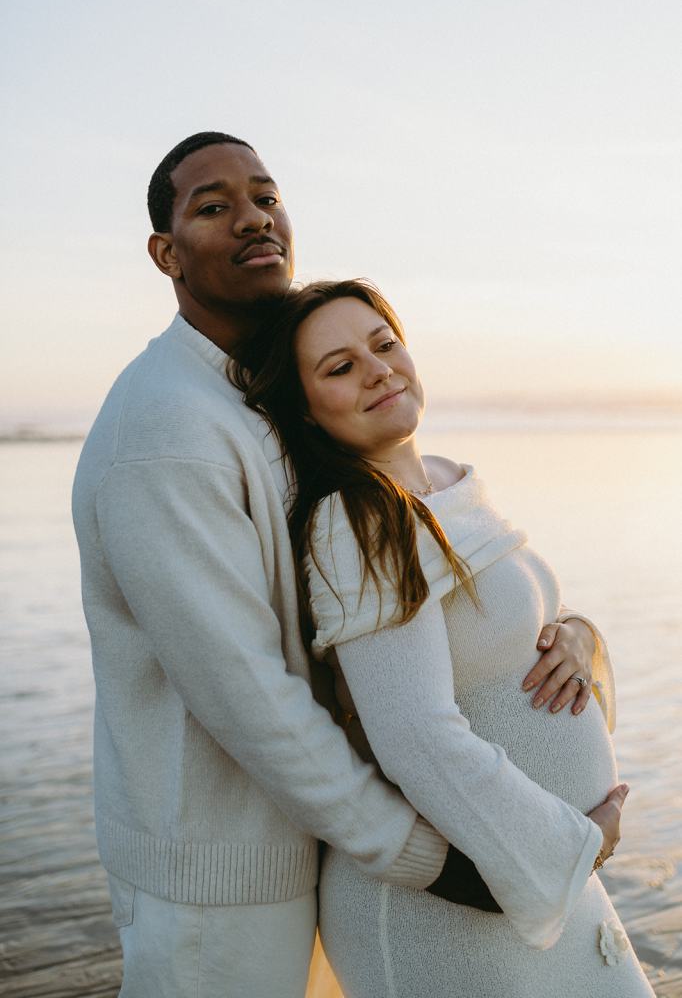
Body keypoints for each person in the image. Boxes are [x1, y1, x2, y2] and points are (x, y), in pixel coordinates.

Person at [72, 132, 626, 997]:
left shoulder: (262, 400)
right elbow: (243, 690)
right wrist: (425, 859)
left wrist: (566, 639)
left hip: (327, 842)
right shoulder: (169, 430)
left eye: (266, 195)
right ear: (165, 253)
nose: (254, 219)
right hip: (225, 879)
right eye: (214, 207)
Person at [231, 277, 654, 997]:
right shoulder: (359, 524)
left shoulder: (450, 484)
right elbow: (416, 735)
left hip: (533, 881)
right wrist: (576, 843)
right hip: (460, 908)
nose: (376, 369)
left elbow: (513, 631)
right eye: (340, 368)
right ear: (304, 411)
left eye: (383, 343)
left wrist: (580, 638)